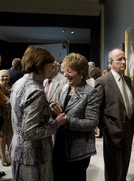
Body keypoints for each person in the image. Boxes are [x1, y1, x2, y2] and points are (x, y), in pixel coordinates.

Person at [9, 46, 68, 181]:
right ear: (40, 66)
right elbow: (29, 132)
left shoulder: (20, 82)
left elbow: (21, 114)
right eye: (50, 63)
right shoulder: (36, 90)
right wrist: (56, 123)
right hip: (34, 156)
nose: (52, 66)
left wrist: (47, 108)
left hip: (18, 149)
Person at [51, 53, 99, 181]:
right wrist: (54, 109)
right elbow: (62, 109)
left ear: (81, 72)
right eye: (64, 71)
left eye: (70, 71)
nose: (65, 74)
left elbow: (92, 122)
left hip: (78, 150)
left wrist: (67, 121)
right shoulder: (65, 88)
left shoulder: (90, 93)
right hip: (60, 143)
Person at [95, 48, 134, 181]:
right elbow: (96, 109)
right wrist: (105, 127)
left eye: (124, 58)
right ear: (110, 63)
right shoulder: (102, 82)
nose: (124, 62)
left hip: (129, 128)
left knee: (125, 163)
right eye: (119, 59)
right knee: (113, 167)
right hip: (112, 129)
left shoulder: (127, 79)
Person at [0, 70, 13, 167]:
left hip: (10, 116)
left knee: (10, 136)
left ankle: (10, 155)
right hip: (1, 116)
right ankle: (3, 157)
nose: (5, 78)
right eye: (2, 76)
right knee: (2, 137)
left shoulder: (10, 85)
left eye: (6, 76)